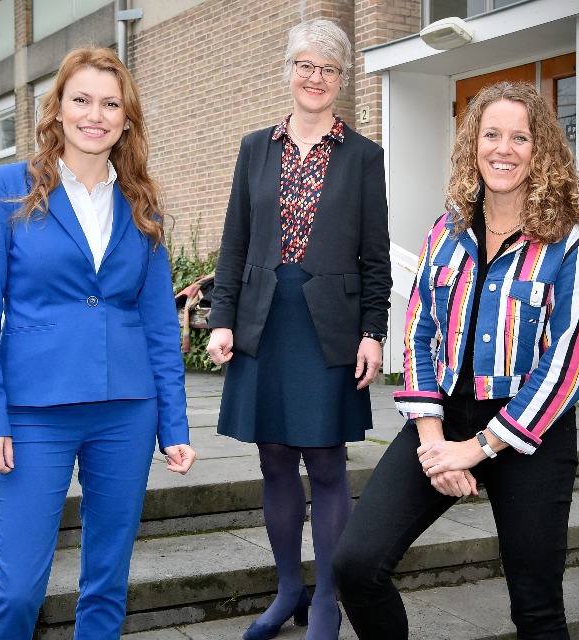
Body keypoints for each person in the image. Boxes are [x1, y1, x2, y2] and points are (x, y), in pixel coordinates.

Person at [332, 80, 579, 640]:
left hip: (532, 433)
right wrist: (436, 443)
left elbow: (568, 365)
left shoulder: (573, 245)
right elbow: (421, 332)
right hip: (444, 418)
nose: (503, 149)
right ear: (473, 144)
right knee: (355, 566)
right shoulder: (447, 229)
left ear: (542, 151)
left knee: (536, 609)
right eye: (491, 134)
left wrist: (478, 448)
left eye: (520, 137)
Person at [0, 47, 197, 640]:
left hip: (126, 410)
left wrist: (175, 423)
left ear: (126, 117)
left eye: (110, 103)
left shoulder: (142, 202)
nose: (96, 114)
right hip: (33, 412)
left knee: (107, 583)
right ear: (58, 109)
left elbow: (160, 325)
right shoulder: (6, 188)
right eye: (82, 100)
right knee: (17, 592)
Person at [206, 18, 391, 640]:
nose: (315, 78)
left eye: (328, 69)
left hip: (330, 325)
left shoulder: (364, 157)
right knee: (276, 462)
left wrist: (374, 330)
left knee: (329, 464)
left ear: (342, 80)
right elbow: (233, 244)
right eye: (305, 66)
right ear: (287, 72)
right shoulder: (254, 146)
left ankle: (328, 602)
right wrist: (222, 318)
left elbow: (376, 257)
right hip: (264, 320)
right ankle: (288, 589)